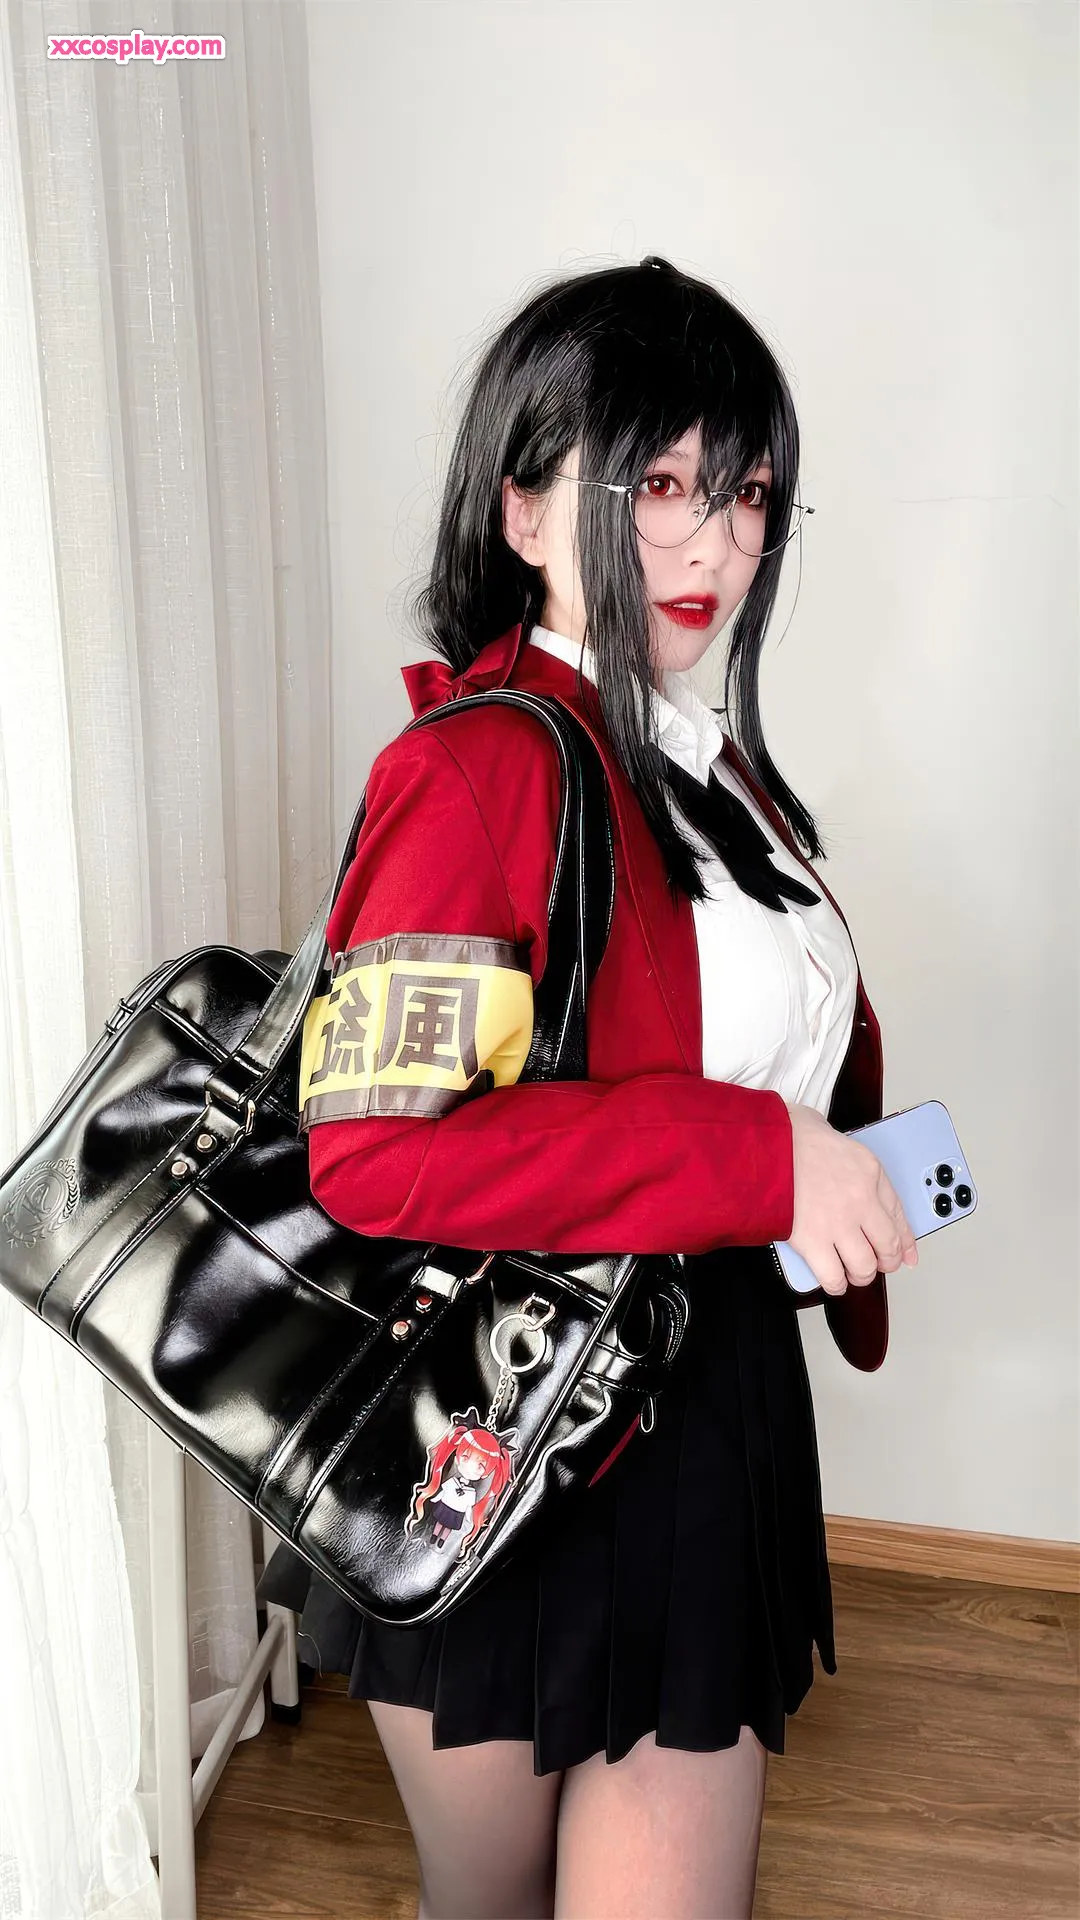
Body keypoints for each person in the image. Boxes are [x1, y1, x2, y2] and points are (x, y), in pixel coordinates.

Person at [256, 255, 918, 1920]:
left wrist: (828, 1168)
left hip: (706, 1408)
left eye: (747, 495)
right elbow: (375, 1157)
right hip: (508, 1427)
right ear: (527, 508)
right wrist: (762, 1156)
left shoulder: (714, 765)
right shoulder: (471, 768)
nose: (716, 547)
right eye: (662, 486)